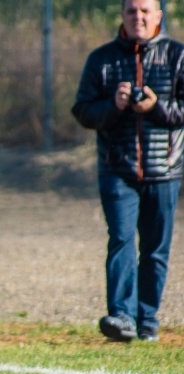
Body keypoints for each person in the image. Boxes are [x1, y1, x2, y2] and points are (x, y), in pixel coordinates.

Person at [72, 0, 183, 343]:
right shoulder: (101, 59)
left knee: (155, 249)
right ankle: (121, 316)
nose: (138, 17)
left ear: (158, 16)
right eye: (132, 11)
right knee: (121, 240)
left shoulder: (177, 56)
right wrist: (114, 105)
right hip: (117, 169)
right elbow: (83, 111)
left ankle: (147, 320)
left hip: (165, 169)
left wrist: (155, 106)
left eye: (145, 11)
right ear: (122, 15)